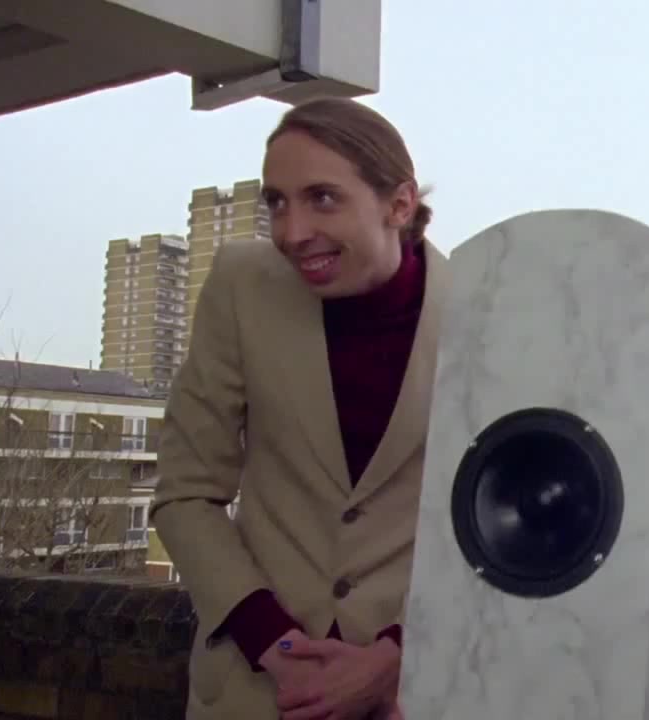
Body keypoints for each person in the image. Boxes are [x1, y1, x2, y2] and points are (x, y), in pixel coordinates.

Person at [151, 97, 444, 720]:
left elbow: (496, 532)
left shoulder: (483, 307)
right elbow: (185, 493)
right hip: (257, 688)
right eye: (277, 202)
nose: (291, 232)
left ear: (399, 204)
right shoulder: (240, 286)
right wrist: (276, 647)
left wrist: (394, 657)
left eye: (322, 198)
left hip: (415, 690)